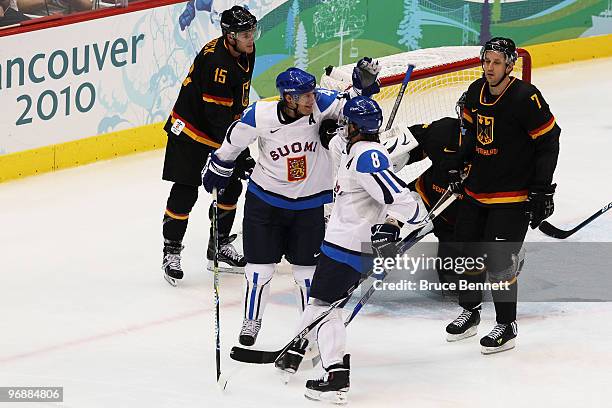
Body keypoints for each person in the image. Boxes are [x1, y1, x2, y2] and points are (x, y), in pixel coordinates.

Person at [201, 59, 382, 346]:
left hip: (308, 205)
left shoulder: (322, 103)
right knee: (259, 270)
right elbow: (233, 141)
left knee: (307, 273)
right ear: (288, 98)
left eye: (312, 93)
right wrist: (219, 166)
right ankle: (251, 322)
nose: (313, 98)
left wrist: (366, 84)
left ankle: (305, 330)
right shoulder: (259, 115)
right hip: (265, 202)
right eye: (306, 95)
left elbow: (355, 106)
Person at [273, 96, 425, 403]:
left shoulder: (368, 155)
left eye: (347, 124)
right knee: (321, 303)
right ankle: (296, 350)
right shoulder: (357, 151)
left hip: (349, 247)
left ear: (356, 127)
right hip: (342, 244)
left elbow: (398, 196)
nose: (343, 128)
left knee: (324, 309)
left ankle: (335, 375)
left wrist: (405, 218)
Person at [444, 37, 560, 354]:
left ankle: (506, 324)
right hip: (477, 190)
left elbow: (550, 142)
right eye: (487, 61)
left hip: (512, 195)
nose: (490, 67)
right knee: (468, 254)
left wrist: (541, 189)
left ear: (510, 65)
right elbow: (470, 137)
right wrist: (457, 164)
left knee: (498, 263)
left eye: (497, 62)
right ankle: (471, 311)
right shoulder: (474, 92)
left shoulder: (526, 97)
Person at [161, 5, 258, 286]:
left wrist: (238, 150)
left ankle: (219, 246)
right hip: (190, 132)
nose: (251, 37)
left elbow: (234, 103)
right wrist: (238, 151)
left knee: (231, 186)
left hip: (220, 126)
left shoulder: (246, 49)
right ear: (229, 36)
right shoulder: (218, 62)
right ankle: (171, 251)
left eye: (252, 31)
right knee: (185, 189)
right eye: (244, 33)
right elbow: (216, 117)